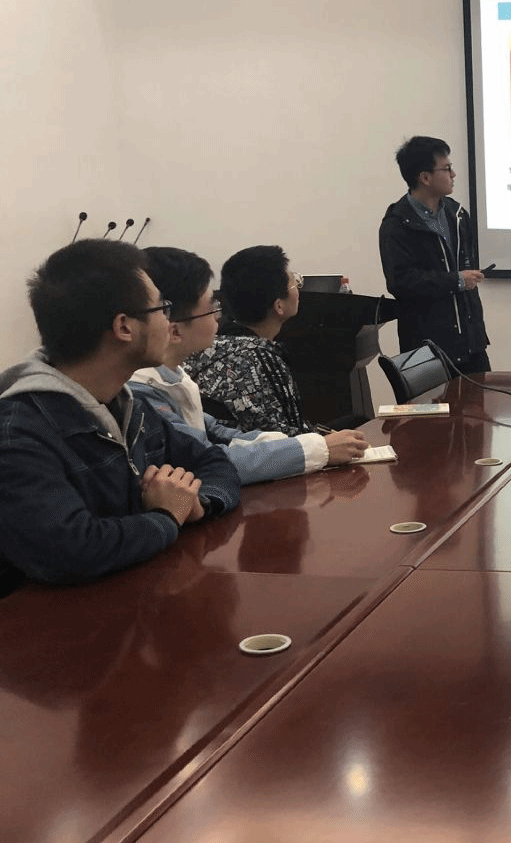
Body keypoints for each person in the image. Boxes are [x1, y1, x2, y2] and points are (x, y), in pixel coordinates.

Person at [0, 239, 240, 591]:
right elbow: (72, 550)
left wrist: (196, 503)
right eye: (162, 309)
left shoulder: (127, 407)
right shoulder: (20, 433)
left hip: (136, 601)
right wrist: (166, 516)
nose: (169, 322)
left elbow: (215, 463)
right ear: (124, 327)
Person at [131, 247, 368, 483]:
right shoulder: (142, 394)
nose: (218, 316)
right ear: (174, 331)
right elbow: (207, 460)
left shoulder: (176, 375)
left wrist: (310, 444)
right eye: (212, 307)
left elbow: (220, 434)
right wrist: (320, 448)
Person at [379, 135, 491, 372]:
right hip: (426, 348)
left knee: (481, 397)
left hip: (471, 343)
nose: (453, 174)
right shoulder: (397, 224)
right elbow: (401, 282)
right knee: (438, 400)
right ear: (425, 177)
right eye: (447, 169)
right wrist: (456, 280)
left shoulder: (457, 214)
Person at [185, 245, 316, 435]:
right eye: (294, 282)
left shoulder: (211, 345)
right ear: (279, 306)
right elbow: (286, 438)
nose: (298, 288)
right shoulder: (261, 358)